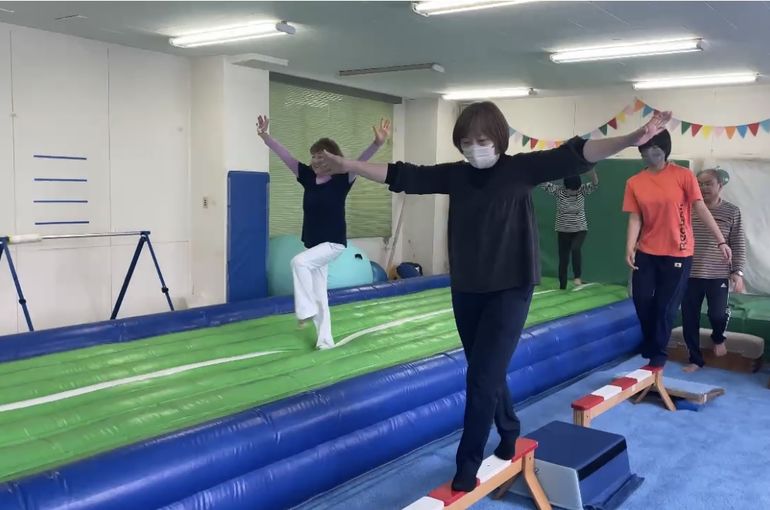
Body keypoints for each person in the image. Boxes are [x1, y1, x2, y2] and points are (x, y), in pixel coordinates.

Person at [316, 101, 672, 493]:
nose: (474, 149)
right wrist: (348, 164)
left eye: (482, 140)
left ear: (498, 139)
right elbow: (403, 175)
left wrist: (632, 138)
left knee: (481, 376)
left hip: (511, 288)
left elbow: (578, 153)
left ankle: (467, 464)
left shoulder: (522, 169)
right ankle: (509, 427)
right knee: (485, 369)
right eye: (466, 142)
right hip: (468, 287)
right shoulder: (456, 175)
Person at [257, 116, 391, 349]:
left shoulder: (343, 178)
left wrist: (377, 143)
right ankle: (325, 341)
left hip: (333, 243)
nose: (316, 161)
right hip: (314, 244)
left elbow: (361, 161)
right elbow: (285, 155)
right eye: (314, 156)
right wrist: (265, 136)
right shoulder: (307, 177)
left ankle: (305, 311)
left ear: (333, 158)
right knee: (321, 294)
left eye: (322, 156)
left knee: (299, 262)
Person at [623, 130, 732, 369]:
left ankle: (657, 355)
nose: (648, 154)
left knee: (665, 306)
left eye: (654, 149)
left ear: (664, 151)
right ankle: (652, 343)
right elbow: (635, 217)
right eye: (644, 149)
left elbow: (700, 208)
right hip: (647, 250)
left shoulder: (683, 176)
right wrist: (629, 246)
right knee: (641, 299)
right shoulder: (635, 182)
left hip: (678, 252)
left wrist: (721, 240)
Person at [681, 168, 746, 372]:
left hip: (717, 274)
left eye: (708, 183)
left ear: (720, 185)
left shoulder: (731, 211)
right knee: (689, 317)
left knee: (717, 314)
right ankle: (695, 359)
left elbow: (738, 243)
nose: (703, 187)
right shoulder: (688, 208)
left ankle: (718, 337)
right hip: (689, 274)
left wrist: (737, 272)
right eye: (699, 184)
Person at [540, 169, 599, 289]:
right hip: (563, 230)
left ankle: (577, 276)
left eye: (575, 190)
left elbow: (595, 184)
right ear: (565, 187)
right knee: (563, 258)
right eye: (570, 190)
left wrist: (592, 174)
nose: (573, 192)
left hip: (579, 229)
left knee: (575, 248)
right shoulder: (559, 191)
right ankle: (562, 285)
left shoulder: (581, 191)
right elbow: (543, 184)